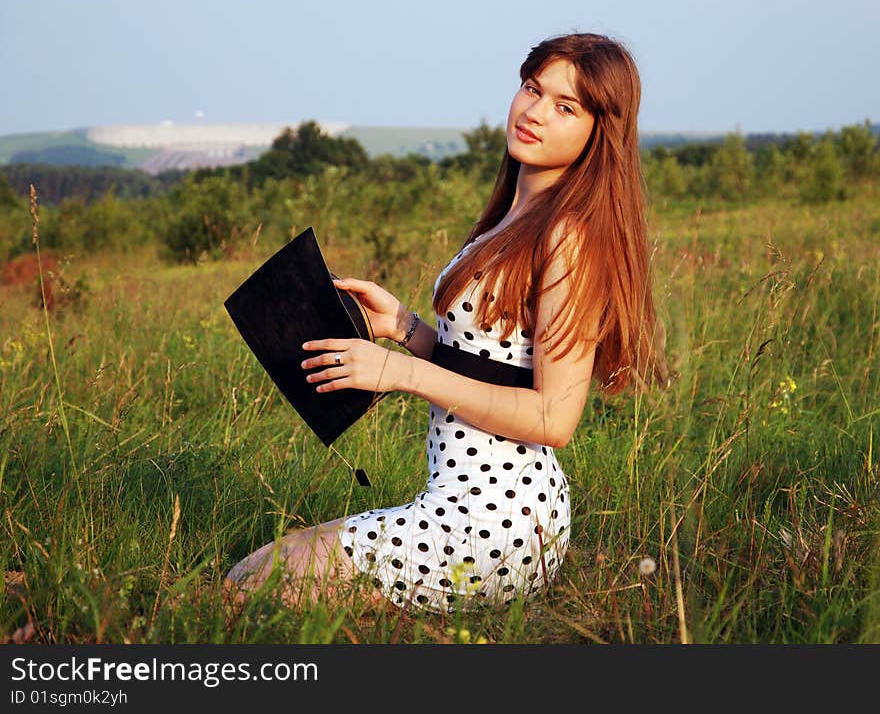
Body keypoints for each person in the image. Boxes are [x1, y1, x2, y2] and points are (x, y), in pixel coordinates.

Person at [225, 32, 666, 613]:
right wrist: (406, 329)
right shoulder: (519, 214)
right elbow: (497, 366)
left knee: (250, 592)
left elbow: (553, 417)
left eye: (565, 107)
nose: (535, 112)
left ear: (598, 131)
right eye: (532, 89)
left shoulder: (569, 237)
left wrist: (398, 373)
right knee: (252, 573)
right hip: (459, 503)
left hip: (501, 521)